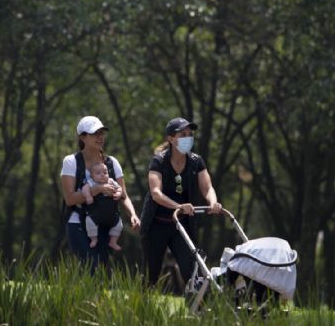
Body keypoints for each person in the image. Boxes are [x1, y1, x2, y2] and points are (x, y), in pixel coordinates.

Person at [140, 117, 222, 287]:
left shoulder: (196, 161)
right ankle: (142, 306)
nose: (188, 138)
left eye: (190, 134)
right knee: (151, 275)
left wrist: (213, 202)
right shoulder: (159, 161)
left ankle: (197, 308)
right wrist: (178, 206)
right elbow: (156, 193)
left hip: (182, 226)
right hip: (157, 224)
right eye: (182, 134)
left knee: (191, 270)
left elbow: (207, 188)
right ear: (171, 138)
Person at [61, 115, 140, 268]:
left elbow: (123, 195)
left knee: (100, 270)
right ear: (82, 137)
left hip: (106, 223)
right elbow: (70, 199)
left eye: (102, 133)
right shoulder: (71, 162)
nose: (100, 137)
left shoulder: (112, 162)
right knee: (92, 266)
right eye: (94, 133)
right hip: (78, 222)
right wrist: (96, 189)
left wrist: (133, 215)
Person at [82, 161, 124, 251]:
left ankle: (113, 241)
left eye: (105, 172)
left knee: (119, 225)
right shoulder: (91, 182)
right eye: (98, 173)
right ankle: (94, 239)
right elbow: (84, 189)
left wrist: (119, 193)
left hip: (112, 215)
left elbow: (120, 188)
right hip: (95, 214)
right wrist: (88, 196)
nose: (102, 175)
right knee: (89, 222)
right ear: (92, 176)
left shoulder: (111, 181)